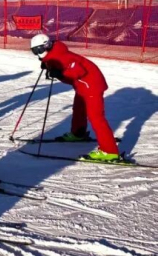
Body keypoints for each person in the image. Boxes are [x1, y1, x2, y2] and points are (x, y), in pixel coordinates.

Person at [30, 34, 121, 162]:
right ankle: (78, 133)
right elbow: (69, 77)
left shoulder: (61, 56)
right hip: (82, 85)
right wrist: (52, 67)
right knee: (78, 109)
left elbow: (78, 71)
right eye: (35, 51)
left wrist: (59, 73)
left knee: (96, 117)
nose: (38, 53)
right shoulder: (53, 54)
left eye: (39, 50)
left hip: (91, 84)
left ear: (46, 46)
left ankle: (109, 151)